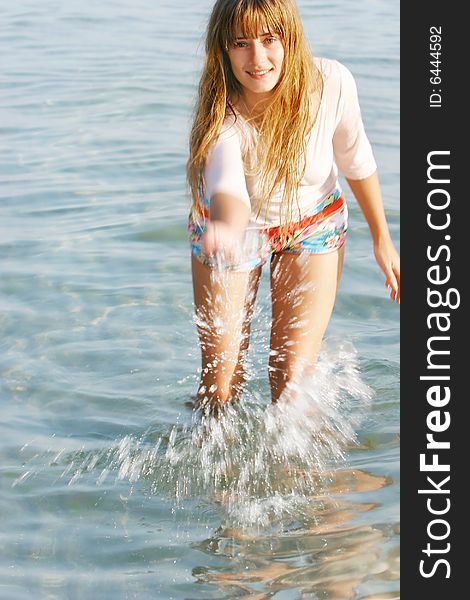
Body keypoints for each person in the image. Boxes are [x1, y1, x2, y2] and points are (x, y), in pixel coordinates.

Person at [186, 0, 400, 411]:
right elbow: (228, 187)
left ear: (291, 38)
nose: (257, 58)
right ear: (223, 49)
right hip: (233, 233)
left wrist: (382, 238)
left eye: (270, 40)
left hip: (313, 224)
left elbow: (355, 159)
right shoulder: (222, 116)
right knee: (220, 386)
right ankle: (216, 464)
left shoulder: (331, 82)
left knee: (293, 381)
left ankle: (299, 470)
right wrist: (227, 227)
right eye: (241, 43)